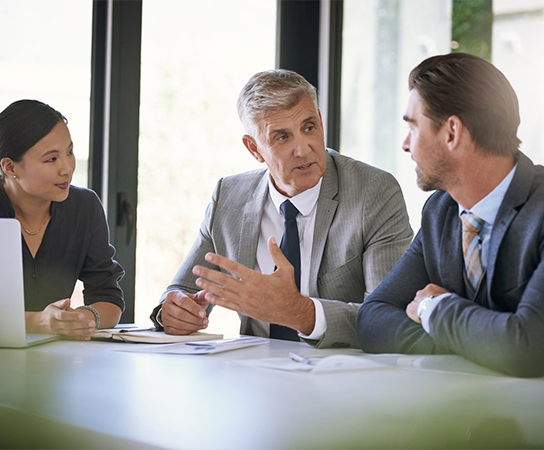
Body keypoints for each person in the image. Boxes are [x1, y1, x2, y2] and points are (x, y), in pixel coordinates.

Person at [356, 53, 544, 380]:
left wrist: (431, 308)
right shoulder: (441, 211)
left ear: (451, 132)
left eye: (413, 126)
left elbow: (527, 350)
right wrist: (487, 347)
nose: (406, 144)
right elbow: (372, 319)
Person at [151, 69, 413, 348]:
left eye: (309, 127)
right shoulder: (228, 197)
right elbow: (182, 291)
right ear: (254, 149)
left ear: (321, 121)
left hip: (342, 376)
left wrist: (300, 313)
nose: (303, 149)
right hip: (257, 375)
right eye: (282, 137)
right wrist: (175, 311)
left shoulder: (373, 191)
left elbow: (389, 318)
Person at [0, 100, 125, 340]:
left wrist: (78, 320)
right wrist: (39, 322)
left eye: (69, 152)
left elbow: (108, 297)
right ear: (9, 167)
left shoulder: (85, 207)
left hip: (56, 363)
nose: (67, 168)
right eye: (51, 159)